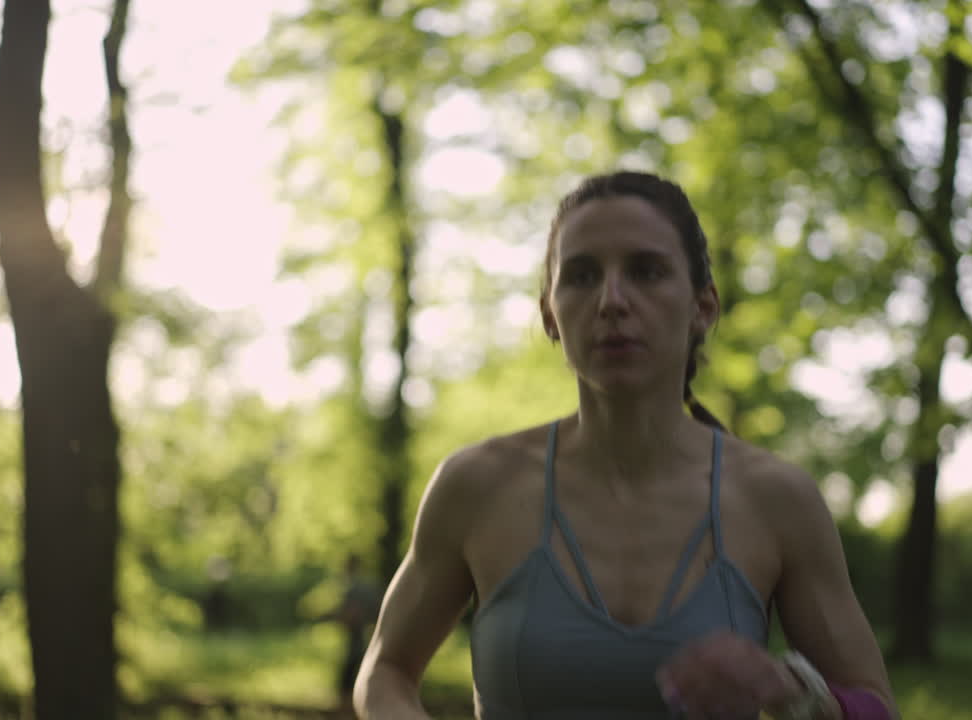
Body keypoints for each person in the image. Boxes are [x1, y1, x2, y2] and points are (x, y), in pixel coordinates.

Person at [353, 171, 897, 719]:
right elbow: (386, 670)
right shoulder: (476, 486)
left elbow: (877, 708)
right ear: (550, 314)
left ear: (702, 307)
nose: (612, 300)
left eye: (646, 271)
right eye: (583, 276)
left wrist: (796, 692)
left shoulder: (777, 500)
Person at [322, 554, 382, 717]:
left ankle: (348, 711)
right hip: (369, 638)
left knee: (349, 676)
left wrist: (336, 616)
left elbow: (352, 614)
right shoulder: (370, 587)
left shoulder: (354, 589)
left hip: (358, 640)